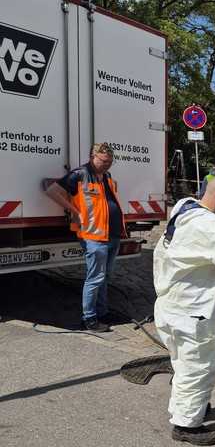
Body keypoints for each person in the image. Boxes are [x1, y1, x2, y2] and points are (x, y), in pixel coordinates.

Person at [153, 175, 215, 446]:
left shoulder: (184, 208)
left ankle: (186, 407)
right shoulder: (212, 227)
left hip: (169, 304)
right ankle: (186, 425)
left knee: (183, 363)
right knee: (199, 366)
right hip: (192, 311)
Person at [45, 142, 126, 332]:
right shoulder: (79, 174)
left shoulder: (106, 176)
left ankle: (103, 312)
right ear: (93, 157)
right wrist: (75, 211)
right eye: (103, 161)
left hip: (112, 234)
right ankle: (89, 319)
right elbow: (51, 191)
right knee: (95, 278)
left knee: (105, 277)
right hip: (93, 235)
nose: (107, 165)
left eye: (110, 162)